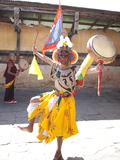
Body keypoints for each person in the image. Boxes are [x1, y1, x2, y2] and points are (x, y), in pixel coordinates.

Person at [18, 35, 104, 160]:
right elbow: (46, 58)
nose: (63, 57)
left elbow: (86, 71)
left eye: (66, 55)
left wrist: (96, 69)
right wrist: (36, 53)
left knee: (59, 127)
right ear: (58, 56)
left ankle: (58, 152)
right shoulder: (56, 65)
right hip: (54, 95)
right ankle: (30, 126)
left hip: (66, 100)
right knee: (34, 100)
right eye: (61, 55)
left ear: (70, 57)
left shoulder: (74, 69)